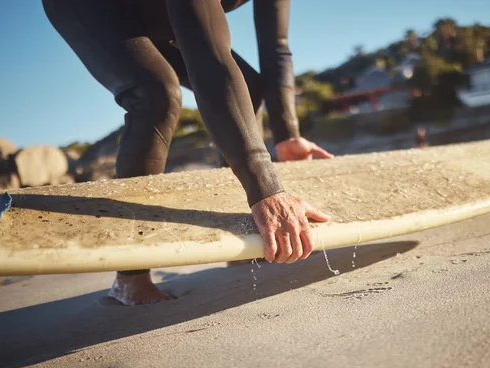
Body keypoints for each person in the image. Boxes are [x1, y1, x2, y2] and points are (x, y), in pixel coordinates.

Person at [42, 0, 334, 306]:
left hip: (159, 13)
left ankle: (243, 241)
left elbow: (277, 47)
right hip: (92, 8)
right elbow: (210, 62)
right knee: (155, 94)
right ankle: (130, 277)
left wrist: (288, 135)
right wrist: (267, 190)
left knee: (247, 85)